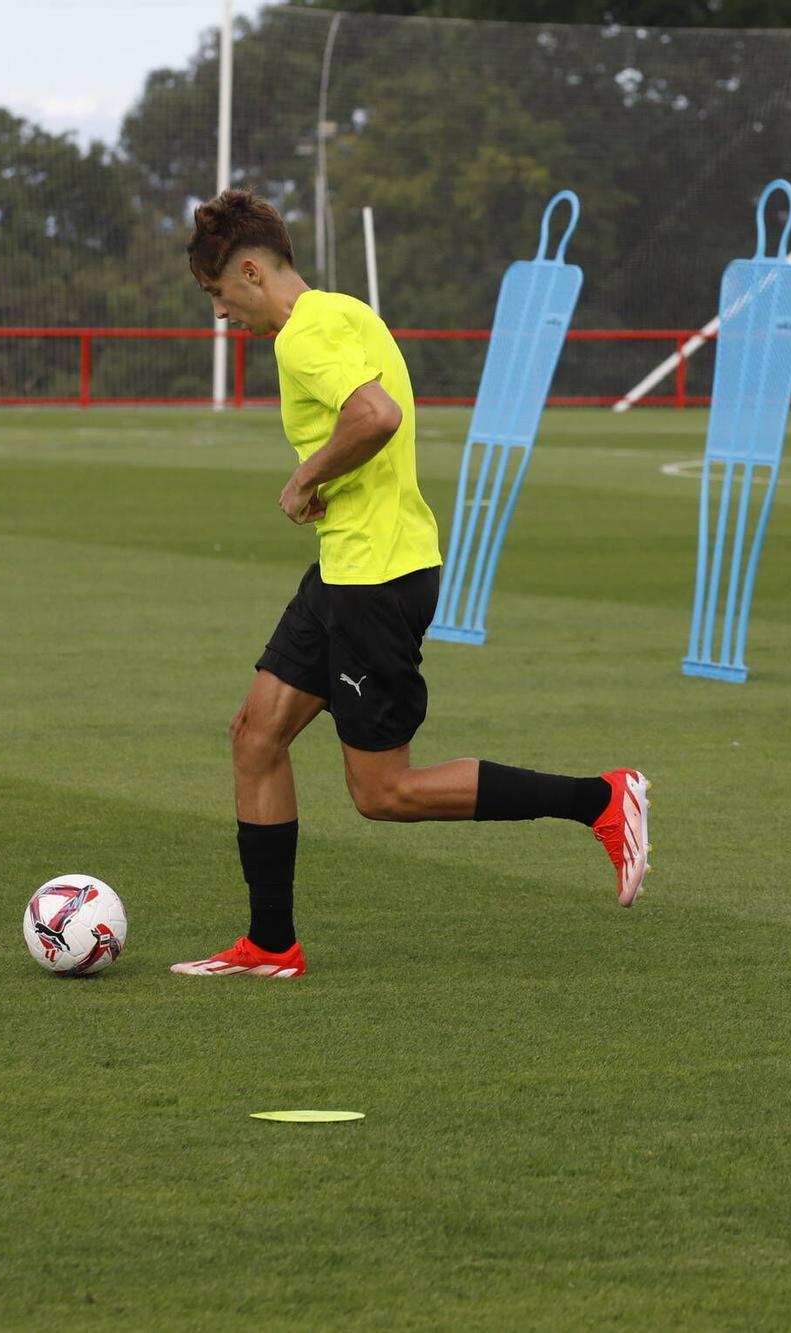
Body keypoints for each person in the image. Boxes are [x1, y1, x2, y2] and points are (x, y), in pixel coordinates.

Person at [170, 190, 651, 980]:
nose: (223, 317)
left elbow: (377, 415)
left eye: (220, 296)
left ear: (251, 270)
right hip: (346, 568)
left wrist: (304, 477)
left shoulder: (301, 339)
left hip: (377, 579)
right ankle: (269, 944)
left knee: (383, 791)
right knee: (255, 737)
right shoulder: (342, 311)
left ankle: (598, 799)